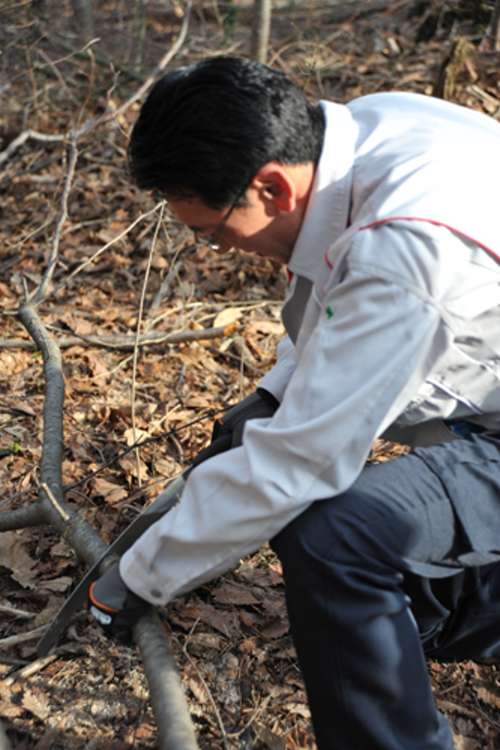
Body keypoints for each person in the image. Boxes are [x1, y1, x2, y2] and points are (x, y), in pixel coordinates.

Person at [88, 56, 500, 749]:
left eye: (214, 232)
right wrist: (273, 395)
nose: (221, 249)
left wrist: (139, 576)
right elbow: (335, 297)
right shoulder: (367, 133)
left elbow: (302, 462)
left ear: (273, 187)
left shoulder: (404, 247)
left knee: (337, 536)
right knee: (376, 589)